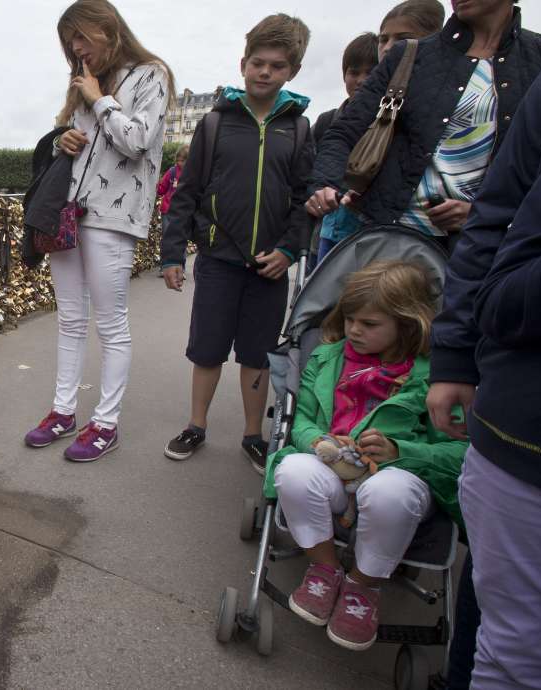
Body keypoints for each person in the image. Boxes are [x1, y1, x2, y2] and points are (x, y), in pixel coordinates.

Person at [427, 37, 541, 690]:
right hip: (536, 407)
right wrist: (457, 347)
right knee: (514, 650)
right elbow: (503, 205)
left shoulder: (533, 59)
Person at [264, 261, 466, 651]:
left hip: (399, 478)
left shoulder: (435, 376)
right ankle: (324, 568)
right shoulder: (327, 359)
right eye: (351, 319)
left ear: (407, 324)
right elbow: (302, 416)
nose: (355, 330)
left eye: (370, 324)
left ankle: (363, 585)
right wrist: (317, 441)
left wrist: (400, 451)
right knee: (292, 470)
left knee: (388, 493)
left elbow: (458, 452)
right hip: (334, 470)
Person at [159, 13, 314, 472]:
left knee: (257, 355)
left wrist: (288, 250)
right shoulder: (215, 124)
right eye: (258, 62)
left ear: (292, 72)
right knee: (206, 349)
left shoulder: (299, 128)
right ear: (243, 63)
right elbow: (186, 193)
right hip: (219, 259)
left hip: (270, 266)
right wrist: (172, 254)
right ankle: (196, 425)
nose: (265, 72)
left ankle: (253, 435)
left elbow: (304, 198)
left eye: (278, 65)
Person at [22, 0, 173, 462]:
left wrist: (98, 99)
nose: (75, 47)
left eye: (82, 36)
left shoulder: (151, 74)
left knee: (110, 323)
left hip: (114, 215)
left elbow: (136, 140)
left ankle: (105, 422)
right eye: (70, 41)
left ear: (107, 28)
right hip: (69, 212)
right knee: (69, 318)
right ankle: (63, 411)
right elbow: (74, 143)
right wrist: (64, 137)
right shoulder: (83, 83)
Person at [308, 0, 541, 249]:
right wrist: (326, 183)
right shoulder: (409, 54)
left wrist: (486, 214)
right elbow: (344, 132)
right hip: (389, 238)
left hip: (488, 249)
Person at [312, 32, 379, 263]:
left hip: (372, 237)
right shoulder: (326, 121)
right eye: (354, 72)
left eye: (371, 72)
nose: (361, 80)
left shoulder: (394, 123)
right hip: (327, 234)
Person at [155, 146, 188, 276]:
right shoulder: (172, 171)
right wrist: (158, 186)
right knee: (167, 238)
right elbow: (162, 189)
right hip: (168, 210)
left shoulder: (192, 174)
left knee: (181, 239)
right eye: (178, 160)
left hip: (182, 212)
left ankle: (181, 267)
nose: (179, 163)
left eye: (182, 161)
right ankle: (164, 266)